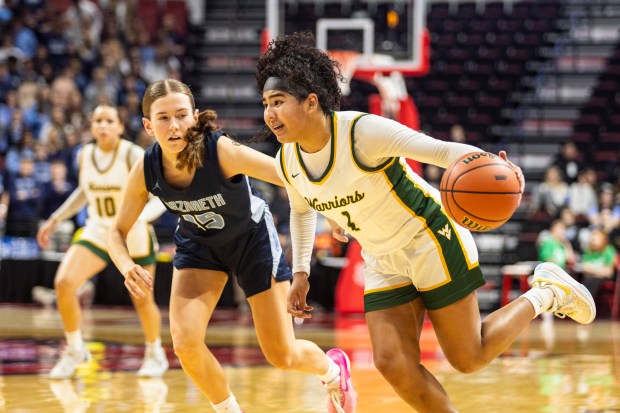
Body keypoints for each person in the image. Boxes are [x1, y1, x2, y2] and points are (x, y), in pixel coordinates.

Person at [256, 31, 597, 413]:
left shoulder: (361, 132)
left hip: (429, 237)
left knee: (468, 357)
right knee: (391, 362)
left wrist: (498, 168)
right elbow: (303, 209)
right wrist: (300, 271)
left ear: (311, 102)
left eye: (278, 102)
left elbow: (442, 151)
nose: (269, 113)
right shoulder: (288, 159)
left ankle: (546, 293)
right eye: (266, 103)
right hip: (382, 258)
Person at [107, 79, 356, 413]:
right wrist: (126, 266)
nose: (174, 125)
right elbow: (116, 232)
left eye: (181, 115)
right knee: (184, 343)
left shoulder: (220, 151)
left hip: (251, 241)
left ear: (195, 118)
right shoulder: (146, 168)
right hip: (199, 247)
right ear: (149, 126)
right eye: (163, 118)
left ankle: (333, 372)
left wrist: (332, 208)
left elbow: (290, 175)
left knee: (282, 355)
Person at [37, 104, 169, 379]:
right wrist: (55, 218)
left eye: (109, 120)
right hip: (98, 229)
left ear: (120, 127)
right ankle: (75, 349)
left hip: (132, 231)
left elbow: (160, 195)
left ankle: (155, 352)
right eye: (98, 120)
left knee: (143, 299)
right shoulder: (85, 154)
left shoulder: (132, 153)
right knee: (64, 283)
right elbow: (85, 191)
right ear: (91, 126)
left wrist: (140, 219)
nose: (103, 125)